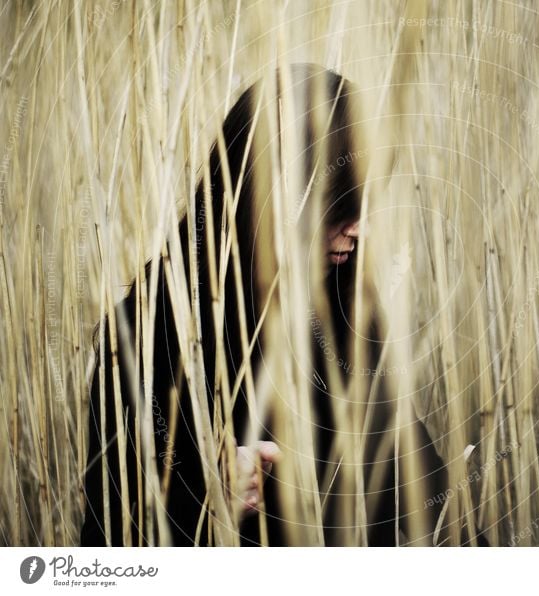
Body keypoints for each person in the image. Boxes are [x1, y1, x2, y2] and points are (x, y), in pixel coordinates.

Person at [79, 63, 454, 546]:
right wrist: (202, 507)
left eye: (364, 207)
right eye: (339, 209)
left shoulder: (343, 311)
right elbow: (101, 548)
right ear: (266, 199)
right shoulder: (146, 337)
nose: (357, 229)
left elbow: (422, 488)